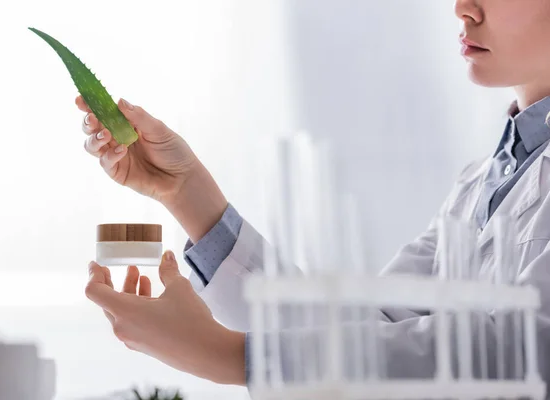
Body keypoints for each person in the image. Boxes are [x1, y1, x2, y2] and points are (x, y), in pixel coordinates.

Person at [81, 0, 550, 389]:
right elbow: (369, 330)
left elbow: (520, 352)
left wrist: (229, 356)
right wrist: (183, 189)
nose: (463, 8)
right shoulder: (484, 180)